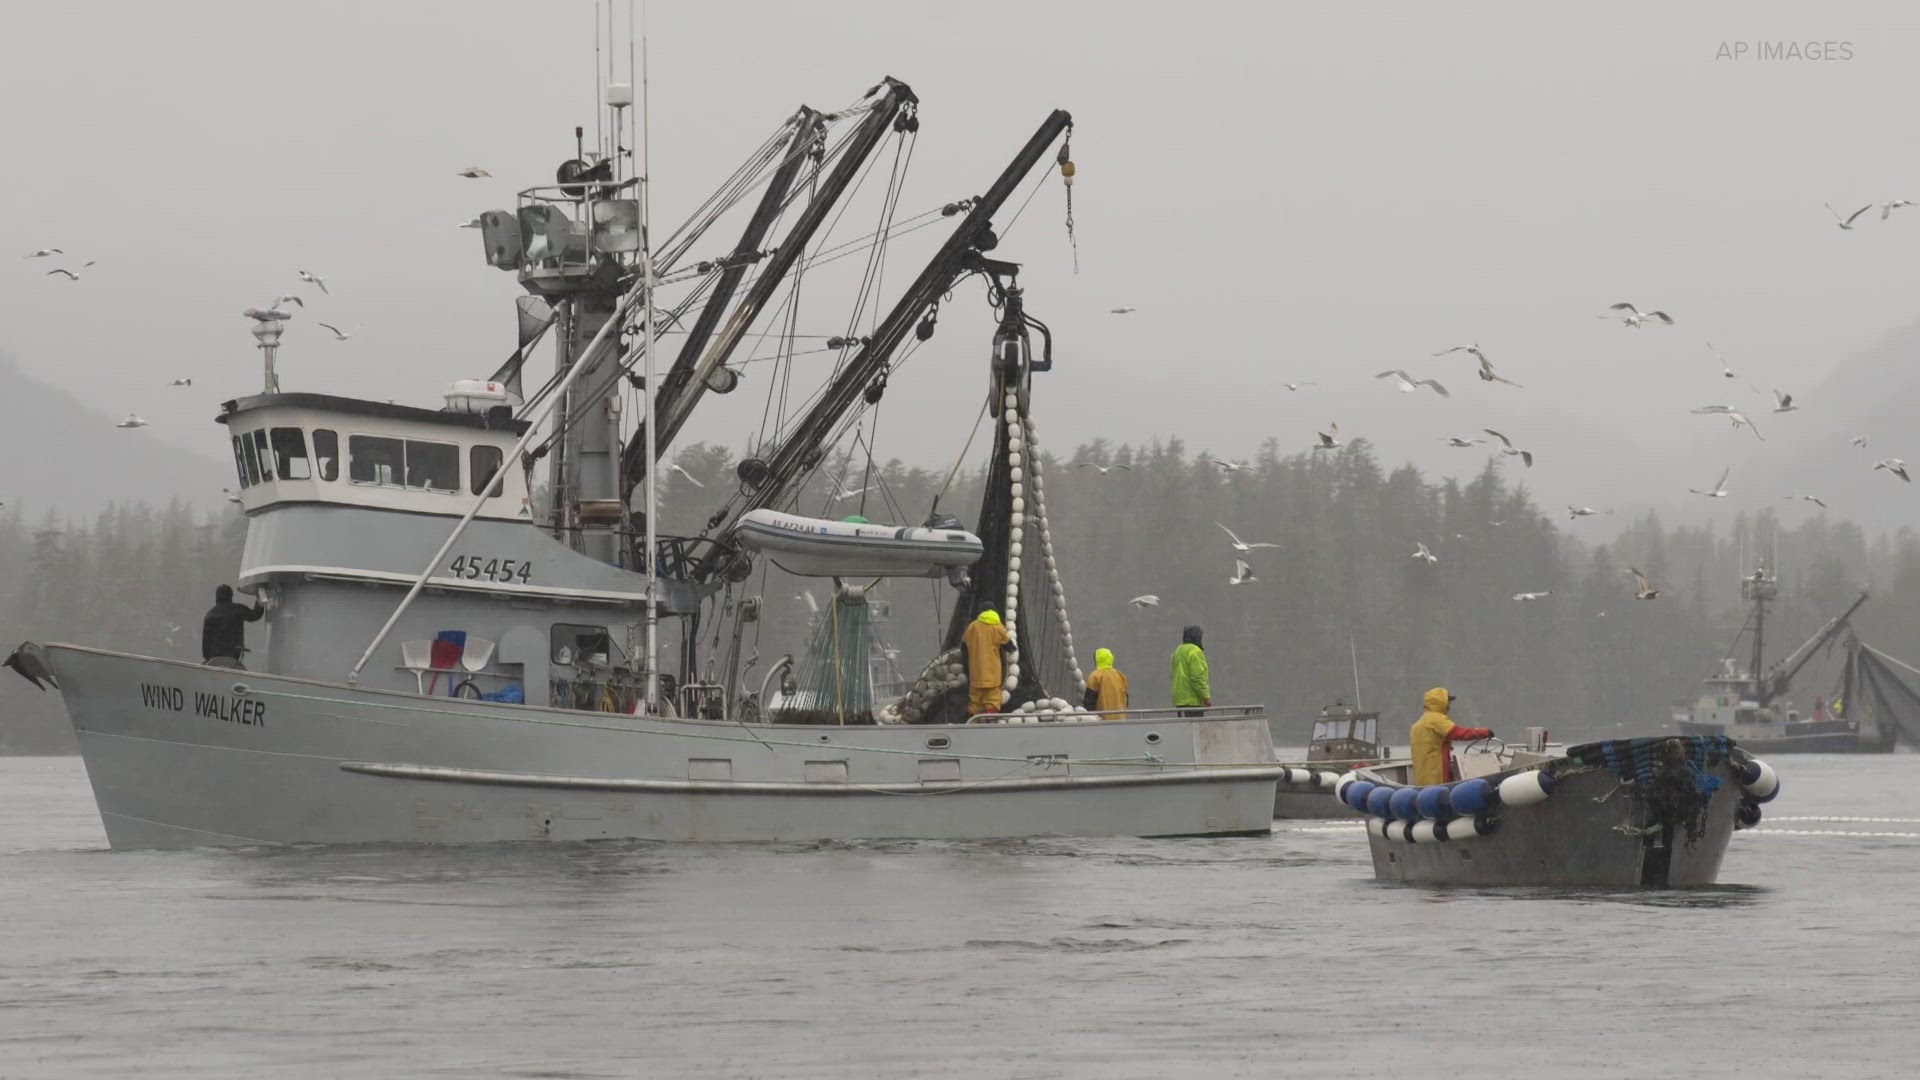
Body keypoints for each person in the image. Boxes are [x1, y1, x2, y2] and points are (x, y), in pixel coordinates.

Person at [1409, 686, 1493, 786]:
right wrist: (1485, 732)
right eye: (1448, 701)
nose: (1449, 704)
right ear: (1441, 702)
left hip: (1423, 776)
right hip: (1437, 773)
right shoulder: (1436, 719)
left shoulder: (1419, 723)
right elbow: (1458, 733)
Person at [961, 608, 1011, 718]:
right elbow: (1010, 646)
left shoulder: (972, 626)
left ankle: (968, 720)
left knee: (975, 700)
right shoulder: (998, 628)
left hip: (976, 673)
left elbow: (963, 645)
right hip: (992, 674)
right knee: (992, 699)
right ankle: (990, 720)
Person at [201, 584, 264, 669]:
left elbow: (205, 646)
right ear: (231, 595)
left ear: (217, 597)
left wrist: (209, 657)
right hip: (233, 659)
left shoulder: (209, 615)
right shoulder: (238, 609)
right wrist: (260, 601)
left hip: (213, 661)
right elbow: (255, 615)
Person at [1170, 625, 1210, 717]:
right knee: (1195, 729)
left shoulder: (1178, 651)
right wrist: (1206, 697)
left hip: (1179, 700)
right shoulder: (1195, 652)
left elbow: (1173, 674)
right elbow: (1197, 677)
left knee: (1183, 728)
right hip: (1193, 701)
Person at [1082, 647, 1129, 717]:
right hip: (1120, 719)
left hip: (1103, 721)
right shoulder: (1121, 675)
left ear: (1097, 660)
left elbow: (1089, 702)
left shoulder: (1095, 676)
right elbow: (1126, 700)